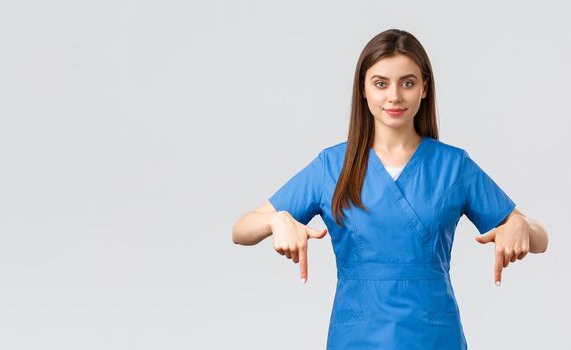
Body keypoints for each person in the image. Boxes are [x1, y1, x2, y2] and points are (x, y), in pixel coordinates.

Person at [231, 29, 549, 349]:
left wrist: (520, 225)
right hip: (357, 337)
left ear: (424, 88)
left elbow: (539, 238)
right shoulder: (332, 166)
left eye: (407, 83)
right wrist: (276, 220)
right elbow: (241, 229)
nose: (394, 96)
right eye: (381, 83)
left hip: (434, 336)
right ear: (363, 90)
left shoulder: (453, 166)